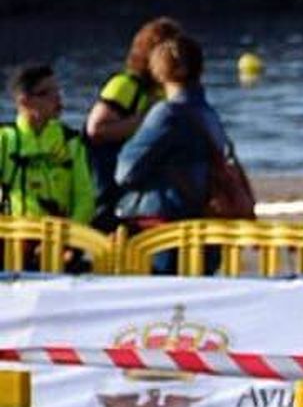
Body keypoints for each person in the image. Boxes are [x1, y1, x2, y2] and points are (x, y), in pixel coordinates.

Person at [115, 34, 235, 273]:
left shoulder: (167, 114)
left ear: (160, 71)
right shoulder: (208, 114)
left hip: (162, 227)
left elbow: (125, 171)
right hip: (202, 222)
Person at [84, 16, 183, 232]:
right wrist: (144, 123)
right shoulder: (125, 85)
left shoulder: (162, 91)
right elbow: (96, 129)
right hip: (112, 186)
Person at [0, 64, 94, 226]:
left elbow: (84, 197)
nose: (57, 98)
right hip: (14, 241)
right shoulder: (5, 140)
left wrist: (68, 239)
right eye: (47, 93)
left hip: (63, 239)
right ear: (24, 101)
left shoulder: (70, 141)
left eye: (57, 91)